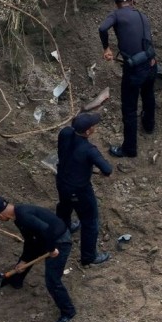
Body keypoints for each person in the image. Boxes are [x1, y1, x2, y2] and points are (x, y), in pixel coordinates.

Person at [0, 196, 76, 322]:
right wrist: (23, 261)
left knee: (52, 280)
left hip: (59, 240)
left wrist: (51, 249)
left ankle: (68, 312)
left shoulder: (23, 216)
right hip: (46, 238)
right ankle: (16, 280)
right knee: (26, 259)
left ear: (0, 214)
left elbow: (45, 229)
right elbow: (30, 241)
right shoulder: (18, 217)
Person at [98, 0, 157, 159]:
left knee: (129, 110)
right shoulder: (142, 16)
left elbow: (102, 28)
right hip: (151, 64)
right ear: (133, 1)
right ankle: (149, 125)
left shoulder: (116, 15)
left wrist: (106, 48)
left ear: (117, 5)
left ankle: (129, 149)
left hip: (134, 70)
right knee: (148, 95)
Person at [55, 113, 112, 268]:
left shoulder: (65, 133)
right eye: (93, 126)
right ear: (87, 132)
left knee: (64, 207)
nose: (94, 127)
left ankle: (62, 230)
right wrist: (102, 173)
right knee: (90, 222)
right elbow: (107, 169)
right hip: (79, 190)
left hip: (62, 181)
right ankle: (88, 256)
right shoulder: (89, 149)